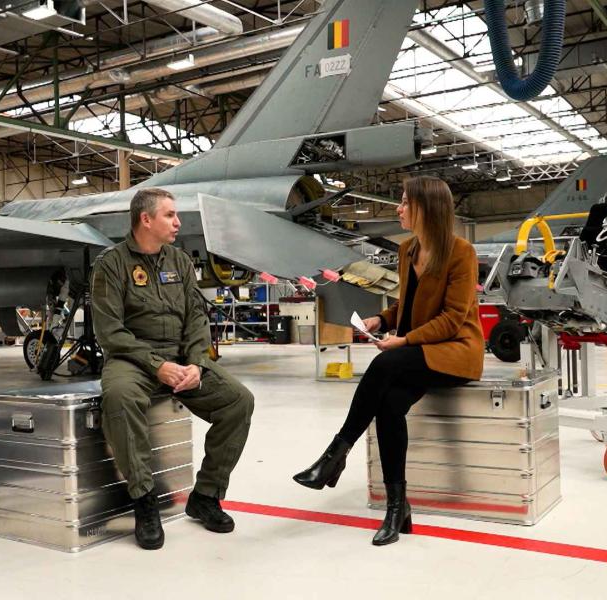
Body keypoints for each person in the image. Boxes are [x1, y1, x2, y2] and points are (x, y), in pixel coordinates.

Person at [293, 176, 484, 546]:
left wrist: (404, 340)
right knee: (390, 406)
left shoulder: (461, 253)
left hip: (455, 348)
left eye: (404, 203)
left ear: (426, 209)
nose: (398, 209)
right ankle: (398, 506)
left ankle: (335, 454)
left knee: (383, 365)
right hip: (418, 352)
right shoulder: (408, 249)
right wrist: (382, 320)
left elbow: (452, 318)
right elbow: (408, 306)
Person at [91, 187, 255, 550]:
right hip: (132, 360)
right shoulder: (112, 264)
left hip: (181, 358)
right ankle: (144, 499)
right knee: (119, 397)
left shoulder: (179, 262)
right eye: (170, 215)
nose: (178, 222)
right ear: (145, 219)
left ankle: (206, 495)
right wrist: (156, 365)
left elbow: (197, 317)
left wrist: (196, 363)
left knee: (238, 401)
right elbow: (110, 331)